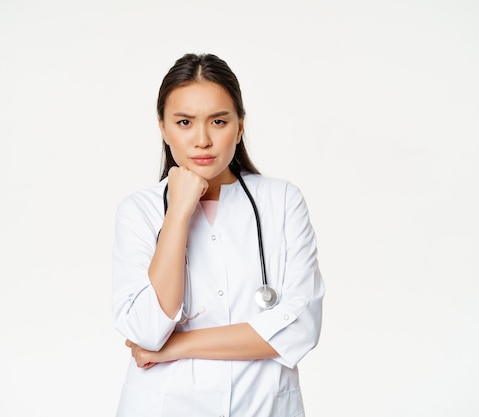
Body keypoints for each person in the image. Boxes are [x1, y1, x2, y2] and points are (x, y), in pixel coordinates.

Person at [112, 53, 324, 417]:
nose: (202, 140)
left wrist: (174, 347)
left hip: (262, 407)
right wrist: (178, 211)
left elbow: (300, 327)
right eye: (184, 122)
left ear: (240, 126)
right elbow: (147, 331)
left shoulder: (282, 200)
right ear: (163, 127)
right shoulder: (140, 211)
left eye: (219, 121)